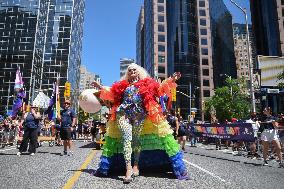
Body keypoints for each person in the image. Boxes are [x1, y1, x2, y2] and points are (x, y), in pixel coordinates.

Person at [92, 63, 188, 183]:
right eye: (130, 70)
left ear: (138, 72)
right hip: (123, 114)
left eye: (134, 70)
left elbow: (160, 89)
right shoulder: (123, 86)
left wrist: (171, 80)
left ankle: (136, 165)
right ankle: (128, 169)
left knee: (136, 140)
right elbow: (111, 93)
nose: (132, 71)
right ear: (128, 73)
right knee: (127, 139)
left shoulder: (147, 84)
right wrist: (99, 86)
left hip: (140, 115)